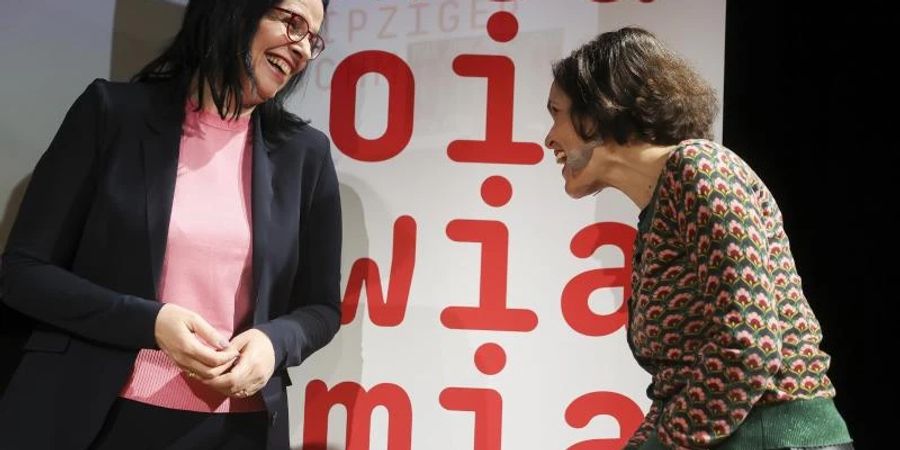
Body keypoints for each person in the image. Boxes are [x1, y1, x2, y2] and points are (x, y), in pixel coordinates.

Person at [0, 0, 340, 448]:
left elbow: (321, 309)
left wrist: (274, 342)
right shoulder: (111, 114)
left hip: (237, 429)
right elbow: (23, 273)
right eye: (290, 22)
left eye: (311, 39)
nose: (300, 48)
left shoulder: (305, 155)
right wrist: (151, 323)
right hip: (95, 416)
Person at [544, 27, 853, 450]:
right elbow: (678, 385)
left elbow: (750, 346)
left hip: (777, 437)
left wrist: (666, 444)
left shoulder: (700, 168)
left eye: (556, 112)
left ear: (597, 112)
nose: (549, 138)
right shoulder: (661, 207)